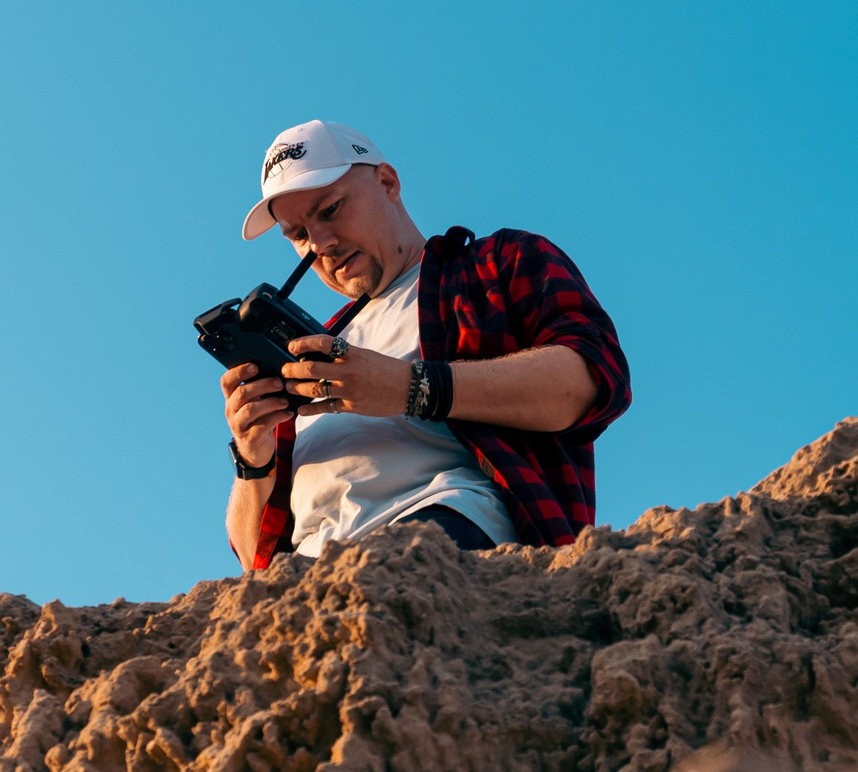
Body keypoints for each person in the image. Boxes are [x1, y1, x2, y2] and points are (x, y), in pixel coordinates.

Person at [219, 119, 630, 571]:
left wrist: (410, 387)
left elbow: (594, 379)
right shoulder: (312, 351)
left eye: (331, 209)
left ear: (388, 183)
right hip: (315, 573)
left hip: (443, 535)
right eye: (298, 235)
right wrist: (251, 456)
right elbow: (250, 556)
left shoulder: (497, 264)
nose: (322, 244)